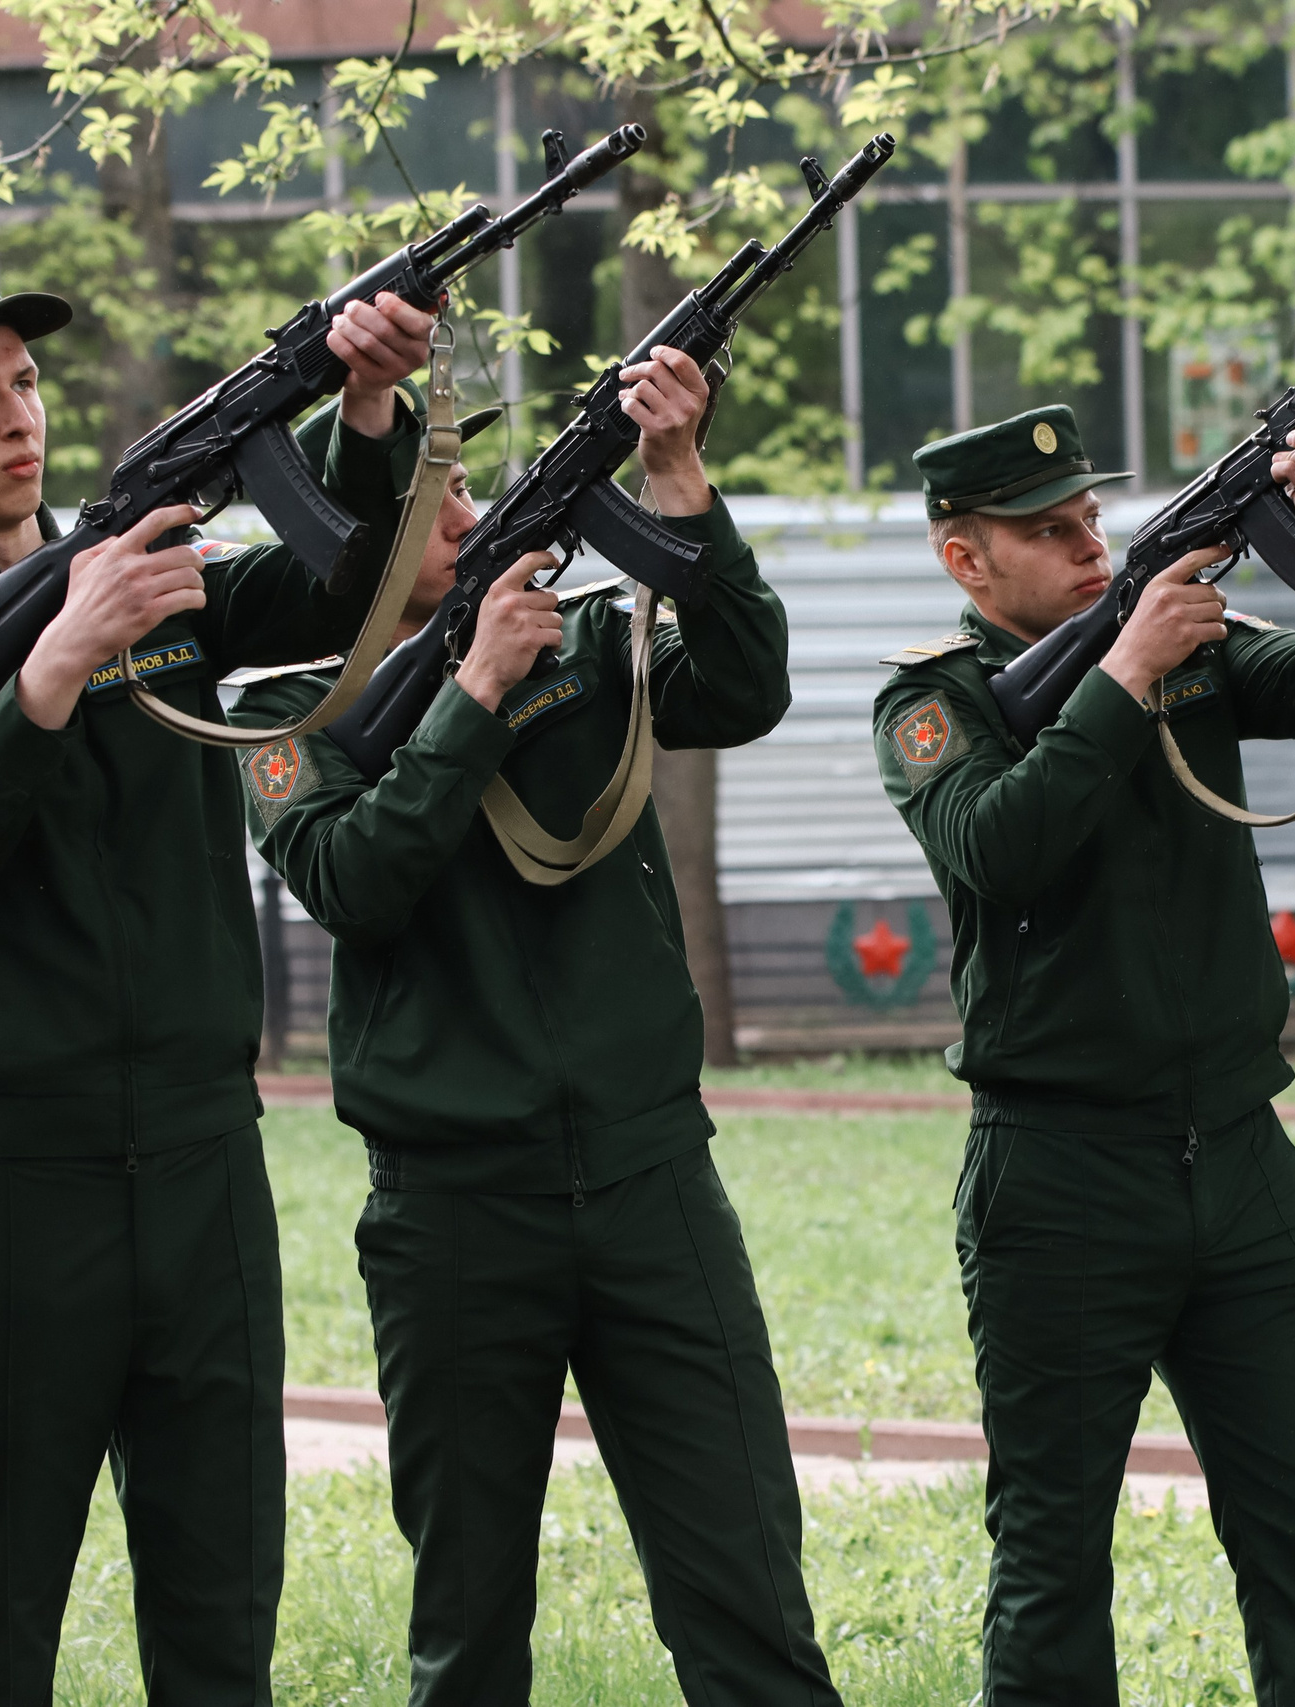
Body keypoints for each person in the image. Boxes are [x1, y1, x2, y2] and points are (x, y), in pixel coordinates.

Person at [233, 346, 838, 1707]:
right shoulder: (283, 715)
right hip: (453, 1211)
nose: (473, 518)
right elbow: (350, 877)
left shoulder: (584, 637)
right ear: (362, 539)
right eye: (439, 506)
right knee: (469, 1622)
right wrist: (469, 699)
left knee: (747, 1594)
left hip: (648, 1177)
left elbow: (745, 689)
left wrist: (679, 480)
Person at [0, 247, 434, 1702]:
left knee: (221, 1606)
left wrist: (371, 407)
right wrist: (51, 670)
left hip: (206, 1157)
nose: (15, 413)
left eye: (23, 382)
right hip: (15, 1174)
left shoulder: (150, 574)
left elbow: (348, 583)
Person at [873, 401, 1295, 1704]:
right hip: (1060, 1174)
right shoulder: (931, 698)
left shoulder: (1182, 644)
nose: (1088, 547)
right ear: (966, 557)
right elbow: (997, 845)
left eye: (1092, 520)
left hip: (1240, 1154)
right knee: (1055, 1560)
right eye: (1047, 533)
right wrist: (1118, 676)